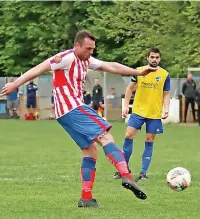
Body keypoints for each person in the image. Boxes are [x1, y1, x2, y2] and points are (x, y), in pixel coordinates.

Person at [1, 30, 158, 208]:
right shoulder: (65, 58)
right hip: (72, 108)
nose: (91, 52)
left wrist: (139, 73)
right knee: (105, 137)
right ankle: (126, 176)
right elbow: (40, 68)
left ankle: (86, 198)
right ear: (77, 45)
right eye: (88, 48)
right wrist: (15, 84)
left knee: (90, 150)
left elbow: (111, 66)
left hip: (65, 113)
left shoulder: (86, 60)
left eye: (93, 49)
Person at [113, 48, 170, 181]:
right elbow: (130, 88)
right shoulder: (139, 71)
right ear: (148, 58)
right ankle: (123, 170)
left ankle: (143, 173)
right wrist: (125, 106)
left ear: (159, 59)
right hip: (138, 111)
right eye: (152, 57)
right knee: (128, 135)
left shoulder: (164, 74)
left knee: (149, 140)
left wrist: (166, 108)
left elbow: (166, 94)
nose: (154, 59)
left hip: (154, 113)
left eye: (157, 57)